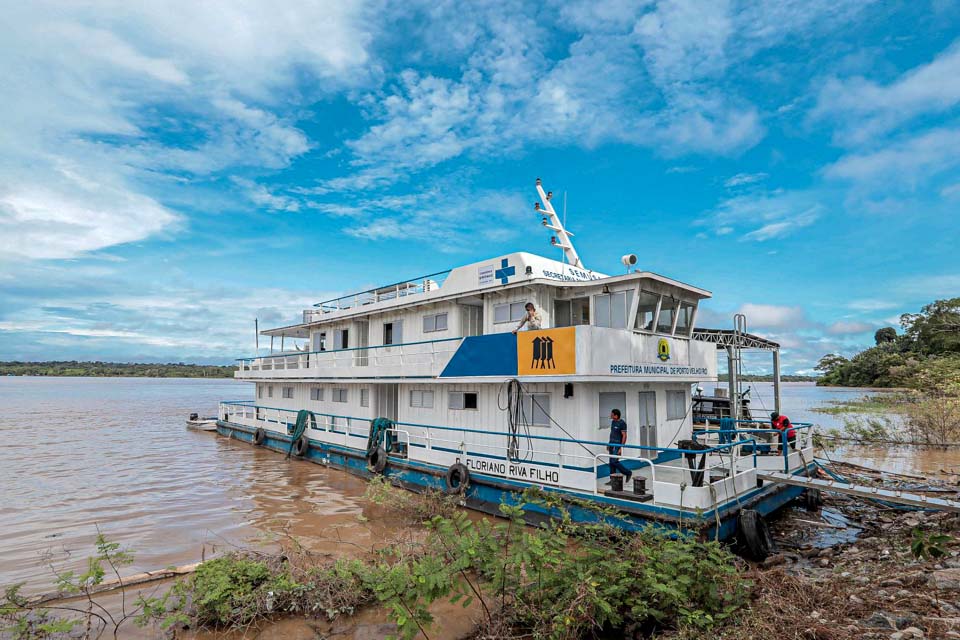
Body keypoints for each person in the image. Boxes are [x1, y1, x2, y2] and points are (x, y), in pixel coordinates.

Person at [606, 409, 632, 483]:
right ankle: (612, 479)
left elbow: (624, 436)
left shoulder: (622, 423)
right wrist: (609, 443)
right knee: (611, 463)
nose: (611, 416)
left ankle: (628, 472)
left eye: (612, 414)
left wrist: (621, 447)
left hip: (617, 445)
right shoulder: (613, 422)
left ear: (616, 415)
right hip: (612, 444)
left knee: (614, 461)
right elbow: (612, 433)